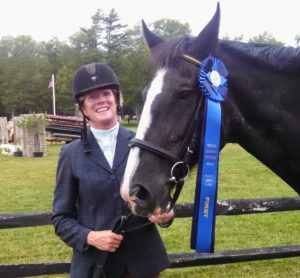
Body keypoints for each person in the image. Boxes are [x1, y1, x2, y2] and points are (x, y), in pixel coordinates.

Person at [52, 62, 174, 278]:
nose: (100, 100)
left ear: (116, 99)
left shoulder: (144, 144)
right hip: (96, 265)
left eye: (106, 93)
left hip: (142, 265)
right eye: (91, 97)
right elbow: (61, 218)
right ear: (82, 108)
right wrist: (90, 237)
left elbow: (161, 199)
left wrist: (165, 212)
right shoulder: (70, 154)